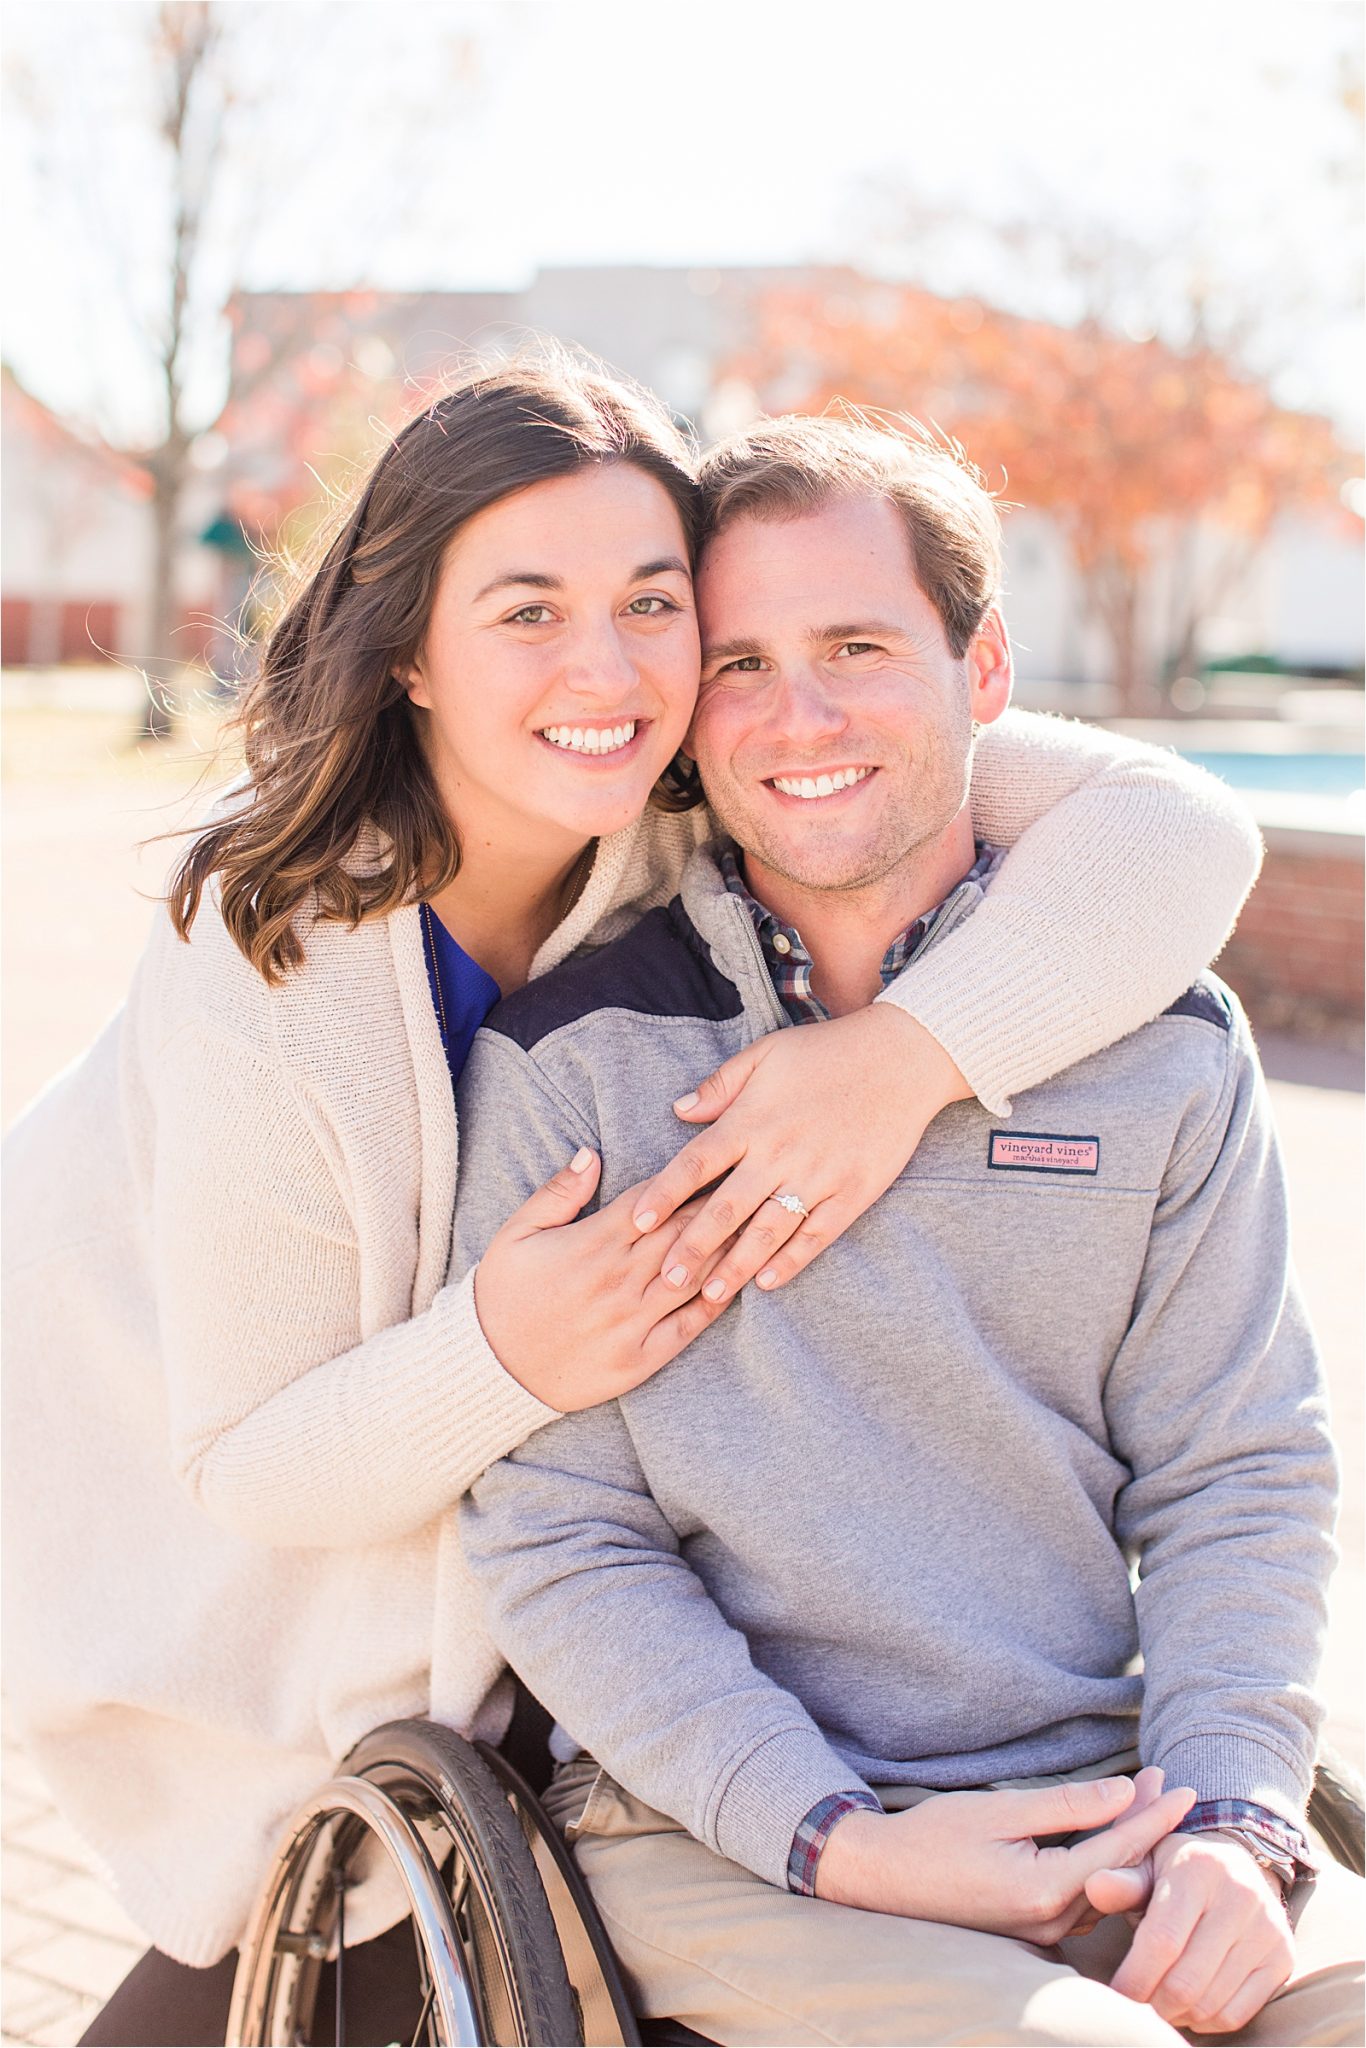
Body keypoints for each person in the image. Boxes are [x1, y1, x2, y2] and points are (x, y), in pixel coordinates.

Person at [2, 355, 1265, 2045]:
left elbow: (1175, 838)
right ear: (410, 656)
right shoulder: (272, 963)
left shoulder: (691, 792)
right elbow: (259, 1462)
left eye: (653, 606)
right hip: (226, 1537)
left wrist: (899, 1057)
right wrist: (512, 1348)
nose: (608, 671)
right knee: (302, 1935)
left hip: (543, 1595)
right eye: (527, 611)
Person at [458, 413, 1363, 2046]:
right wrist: (836, 1836)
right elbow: (561, 1534)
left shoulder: (1162, 1045)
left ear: (985, 666)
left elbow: (1240, 1468)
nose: (795, 716)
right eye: (735, 664)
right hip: (721, 1840)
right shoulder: (574, 1060)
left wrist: (1234, 1817)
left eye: (857, 646)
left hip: (1114, 1806)